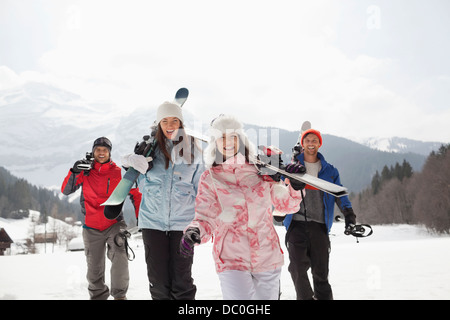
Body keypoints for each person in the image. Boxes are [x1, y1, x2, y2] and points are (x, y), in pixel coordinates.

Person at [180, 115, 305, 300]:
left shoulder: (261, 170)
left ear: (241, 139)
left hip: (267, 255)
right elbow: (206, 217)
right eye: (222, 137)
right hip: (231, 258)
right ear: (215, 143)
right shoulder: (210, 178)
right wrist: (194, 232)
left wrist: (294, 186)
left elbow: (285, 205)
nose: (228, 141)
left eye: (233, 136)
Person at [121, 101, 204, 300]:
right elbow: (134, 181)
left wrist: (200, 223)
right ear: (158, 124)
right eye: (165, 121)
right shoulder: (149, 151)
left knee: (182, 282)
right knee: (158, 283)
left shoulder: (194, 153)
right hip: (152, 224)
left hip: (182, 225)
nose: (170, 125)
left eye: (175, 120)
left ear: (181, 124)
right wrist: (130, 162)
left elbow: (201, 191)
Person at [61, 137, 141, 300]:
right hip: (91, 227)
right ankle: (98, 296)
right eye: (98, 149)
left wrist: (142, 218)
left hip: (114, 223)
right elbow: (66, 190)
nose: (101, 152)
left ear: (110, 152)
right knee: (94, 267)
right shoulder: (85, 171)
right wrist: (74, 171)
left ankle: (120, 296)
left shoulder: (119, 172)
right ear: (93, 152)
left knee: (120, 257)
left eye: (105, 150)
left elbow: (136, 194)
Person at [282, 128, 357, 300]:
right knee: (297, 269)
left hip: (320, 225)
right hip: (296, 224)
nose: (311, 143)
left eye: (314, 140)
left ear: (319, 144)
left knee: (321, 273)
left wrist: (349, 214)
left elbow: (340, 194)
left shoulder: (330, 170)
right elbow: (279, 184)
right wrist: (287, 173)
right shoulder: (292, 166)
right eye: (307, 140)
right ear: (303, 143)